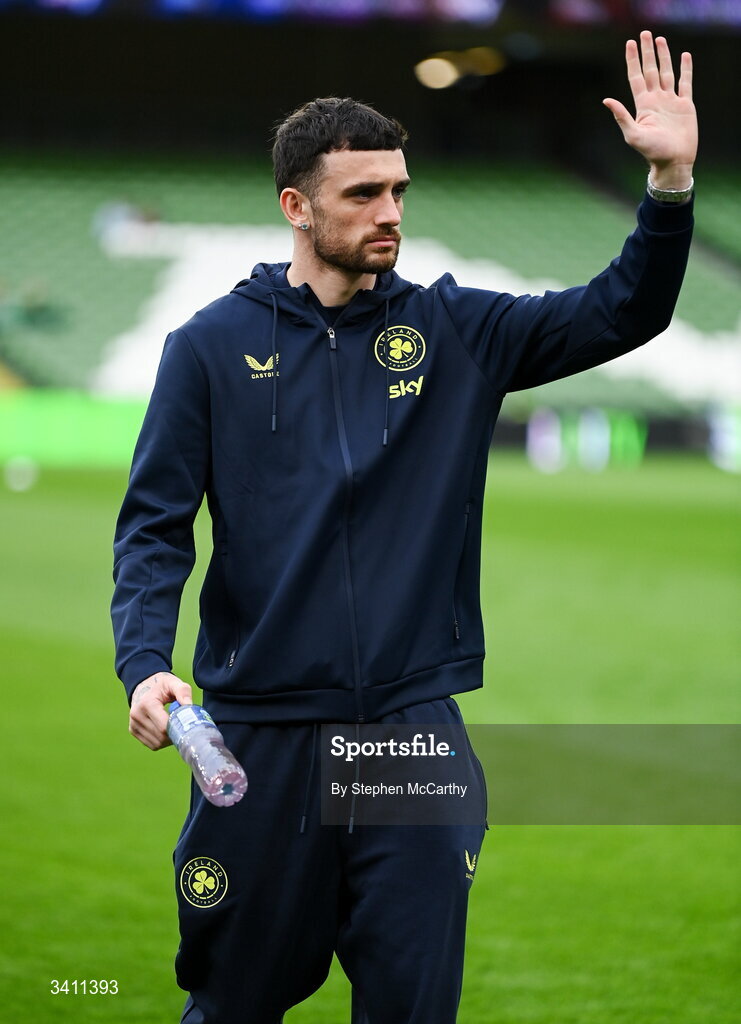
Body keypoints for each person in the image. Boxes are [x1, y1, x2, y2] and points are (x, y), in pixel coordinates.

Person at [112, 31, 697, 1024]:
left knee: (413, 1006)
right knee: (232, 999)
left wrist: (669, 186)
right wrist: (143, 660)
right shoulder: (207, 347)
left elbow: (620, 311)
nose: (390, 214)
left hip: (409, 735)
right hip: (260, 733)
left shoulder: (456, 329)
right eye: (362, 195)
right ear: (296, 206)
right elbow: (155, 528)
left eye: (399, 191)